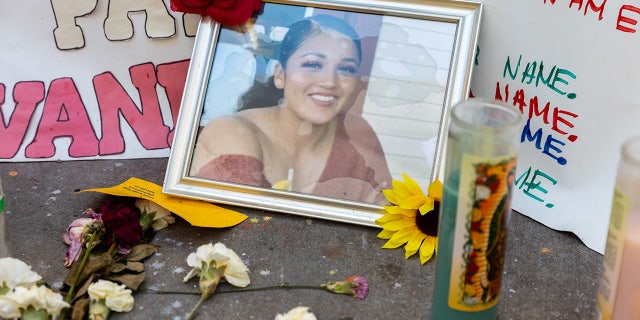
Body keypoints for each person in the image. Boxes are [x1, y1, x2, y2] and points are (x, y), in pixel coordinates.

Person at [190, 14, 392, 204]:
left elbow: (384, 217)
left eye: (346, 69)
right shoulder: (230, 132)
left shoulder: (356, 132)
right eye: (313, 64)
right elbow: (242, 229)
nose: (330, 81)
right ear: (280, 74)